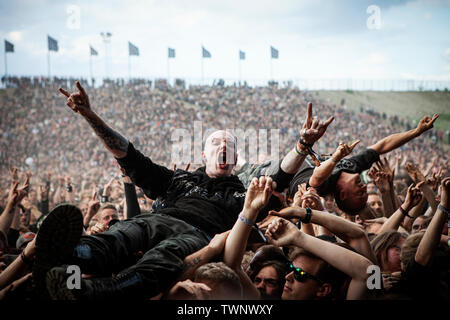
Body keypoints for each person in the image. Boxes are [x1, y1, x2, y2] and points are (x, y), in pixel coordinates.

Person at [31, 81, 292, 300]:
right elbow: (130, 157)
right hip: (155, 220)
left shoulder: (245, 195)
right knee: (120, 236)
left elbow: (280, 177)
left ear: (235, 159)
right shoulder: (177, 179)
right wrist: (90, 115)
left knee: (161, 260)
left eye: (229, 144)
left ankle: (86, 291)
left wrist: (302, 144)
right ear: (204, 154)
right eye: (215, 142)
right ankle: (68, 251)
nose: (223, 145)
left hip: (197, 235)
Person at [286, 113, 439, 216]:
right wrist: (417, 132)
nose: (364, 187)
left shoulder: (324, 188)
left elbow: (316, 178)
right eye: (365, 191)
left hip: (283, 172)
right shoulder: (353, 168)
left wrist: (335, 158)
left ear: (343, 194)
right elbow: (382, 146)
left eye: (359, 192)